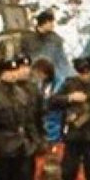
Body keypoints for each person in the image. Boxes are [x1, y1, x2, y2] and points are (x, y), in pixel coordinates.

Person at [20, 9, 74, 144]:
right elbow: (22, 56)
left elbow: (62, 60)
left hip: (52, 77)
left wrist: (69, 74)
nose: (52, 25)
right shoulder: (28, 39)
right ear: (42, 23)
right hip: (32, 76)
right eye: (50, 22)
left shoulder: (55, 40)